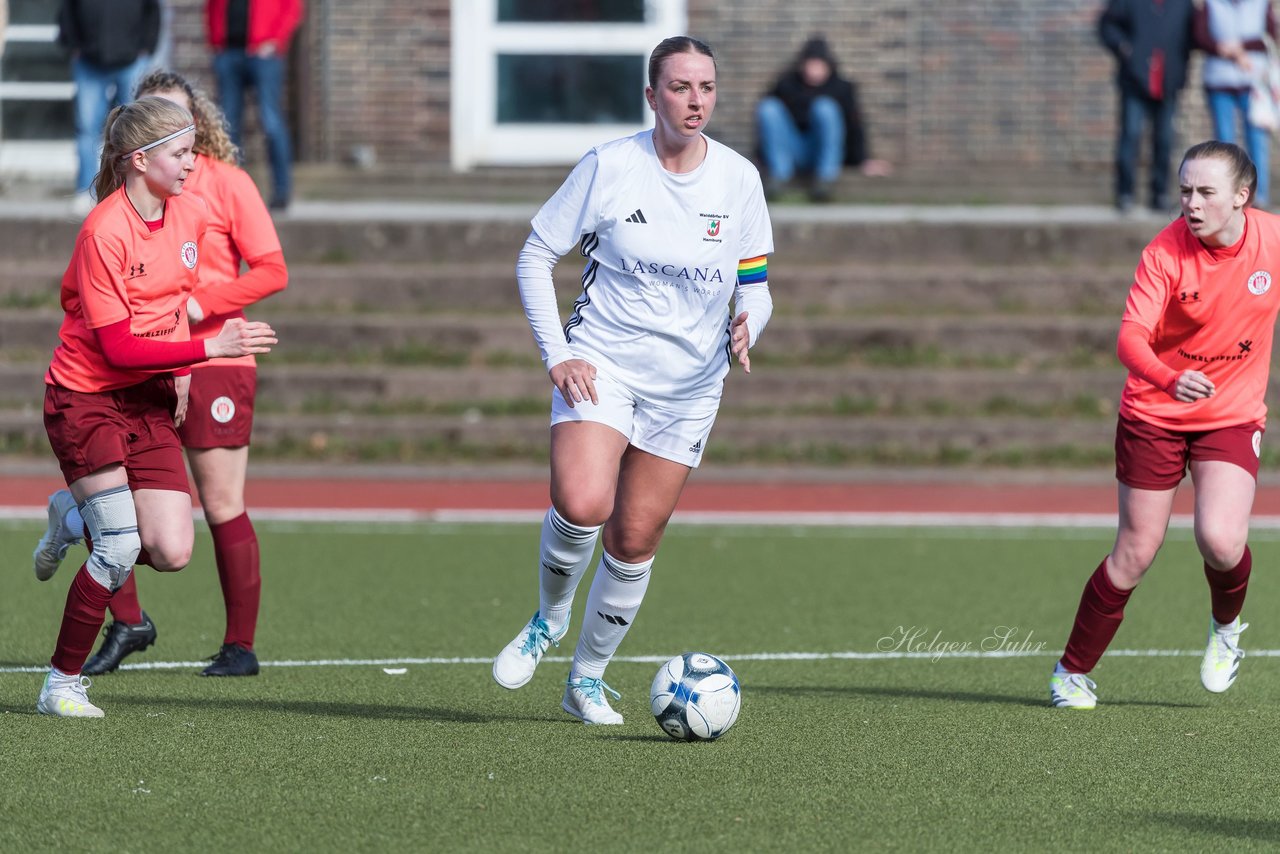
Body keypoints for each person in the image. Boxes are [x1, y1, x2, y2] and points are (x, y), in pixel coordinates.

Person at [490, 36, 774, 725]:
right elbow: (534, 256)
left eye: (706, 87)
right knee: (584, 501)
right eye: (680, 87)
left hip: (689, 388)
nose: (695, 100)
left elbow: (757, 284)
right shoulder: (611, 166)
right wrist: (557, 353)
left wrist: (748, 322)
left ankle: (585, 680)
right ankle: (547, 623)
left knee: (634, 539)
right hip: (605, 365)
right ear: (651, 96)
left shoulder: (739, 179)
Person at [35, 70, 290, 678]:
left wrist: (185, 346)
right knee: (121, 537)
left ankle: (74, 518)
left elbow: (190, 294)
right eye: (179, 149)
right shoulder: (104, 229)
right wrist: (199, 346)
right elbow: (116, 334)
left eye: (192, 142)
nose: (191, 160)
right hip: (97, 390)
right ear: (140, 155)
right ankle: (66, 676)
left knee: (175, 544)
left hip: (165, 377)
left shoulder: (197, 202)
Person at [1050, 141, 1278, 710]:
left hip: (1229, 416)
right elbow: (1130, 338)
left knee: (1222, 541)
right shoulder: (1165, 252)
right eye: (1184, 190)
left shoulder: (1273, 240)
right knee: (1135, 551)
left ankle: (1226, 631)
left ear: (1241, 197)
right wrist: (1169, 378)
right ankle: (1070, 673)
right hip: (1154, 414)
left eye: (1205, 192)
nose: (1191, 203)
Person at [755, 35, 891, 203]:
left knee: (825, 107)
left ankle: (824, 180)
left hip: (822, 151)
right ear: (803, 65)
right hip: (792, 151)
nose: (814, 69)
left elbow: (854, 125)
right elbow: (771, 126)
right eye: (811, 64)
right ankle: (779, 177)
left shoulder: (841, 87)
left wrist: (862, 159)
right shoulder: (786, 84)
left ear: (828, 65)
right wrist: (760, 157)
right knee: (769, 107)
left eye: (819, 64)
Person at [57, 0, 161, 206]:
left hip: (131, 60)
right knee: (87, 128)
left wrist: (147, 47)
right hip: (89, 61)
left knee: (135, 129)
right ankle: (85, 190)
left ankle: (131, 189)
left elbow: (153, 12)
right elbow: (67, 12)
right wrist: (73, 46)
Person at [1098, 0, 1196, 214]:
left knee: (1164, 139)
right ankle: (1125, 194)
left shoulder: (1182, 4)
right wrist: (1125, 48)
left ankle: (1159, 194)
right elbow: (1107, 26)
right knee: (1131, 135)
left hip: (1168, 81)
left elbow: (1193, 34)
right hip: (1135, 80)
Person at [206, 0, 304, 211]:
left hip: (263, 53)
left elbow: (292, 8)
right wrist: (216, 41)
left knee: (271, 122)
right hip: (228, 51)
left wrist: (276, 40)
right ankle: (227, 194)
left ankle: (281, 192)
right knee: (227, 126)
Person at [1194, 0, 1279, 209]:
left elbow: (1270, 36)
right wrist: (1223, 49)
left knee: (1257, 140)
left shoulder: (1260, 4)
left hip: (1254, 83)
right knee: (1224, 142)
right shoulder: (1211, 4)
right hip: (1219, 83)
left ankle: (1258, 197)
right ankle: (1225, 196)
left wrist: (1239, 48)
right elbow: (1200, 36)